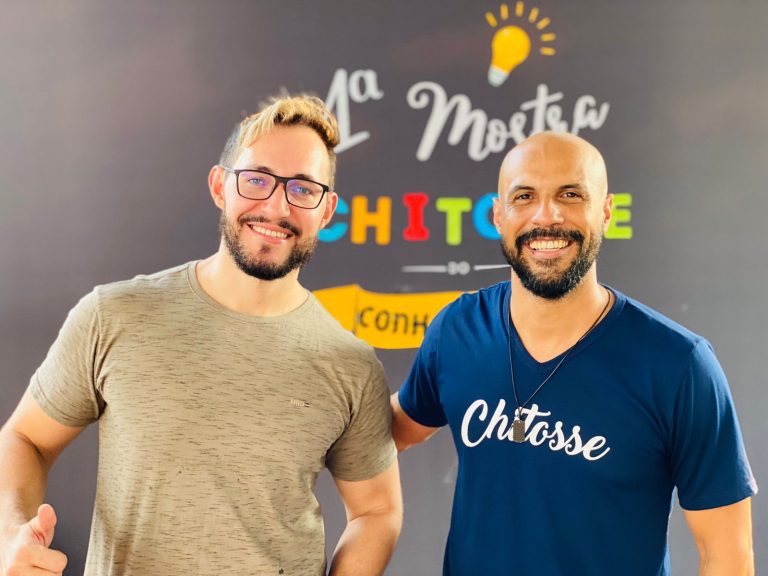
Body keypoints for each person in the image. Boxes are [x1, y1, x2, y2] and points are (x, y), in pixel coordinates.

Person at [0, 94, 402, 576]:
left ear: (327, 209)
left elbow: (377, 510)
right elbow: (25, 438)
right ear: (219, 186)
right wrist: (10, 533)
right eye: (257, 180)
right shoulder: (114, 315)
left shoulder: (350, 364)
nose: (276, 206)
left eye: (302, 188)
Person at [391, 132, 757, 575]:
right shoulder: (458, 329)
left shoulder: (680, 365)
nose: (547, 216)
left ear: (605, 211)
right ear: (499, 216)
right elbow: (393, 429)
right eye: (524, 196)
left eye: (570, 194)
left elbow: (727, 555)